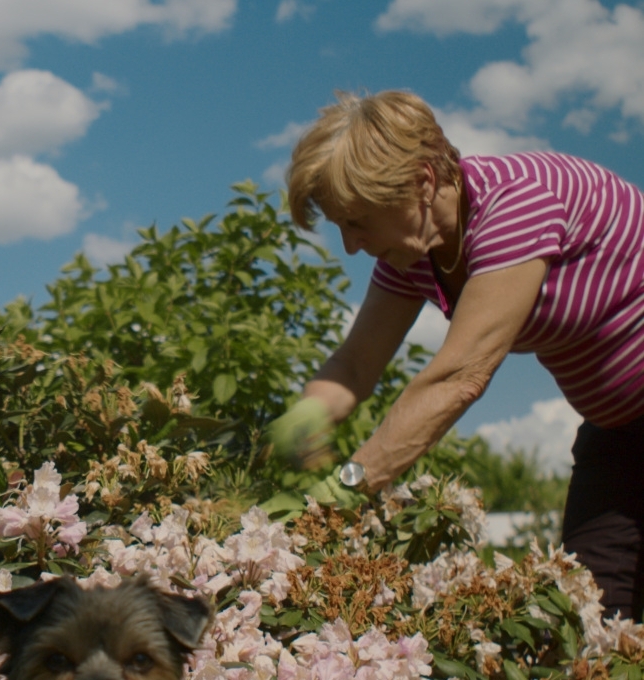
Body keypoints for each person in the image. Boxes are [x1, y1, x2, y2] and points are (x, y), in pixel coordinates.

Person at [272, 89, 644, 622]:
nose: (351, 245)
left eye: (357, 221)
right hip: (617, 433)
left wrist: (349, 489)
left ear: (423, 182)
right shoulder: (414, 252)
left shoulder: (517, 203)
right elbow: (354, 365)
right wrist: (306, 413)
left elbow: (461, 376)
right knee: (588, 621)